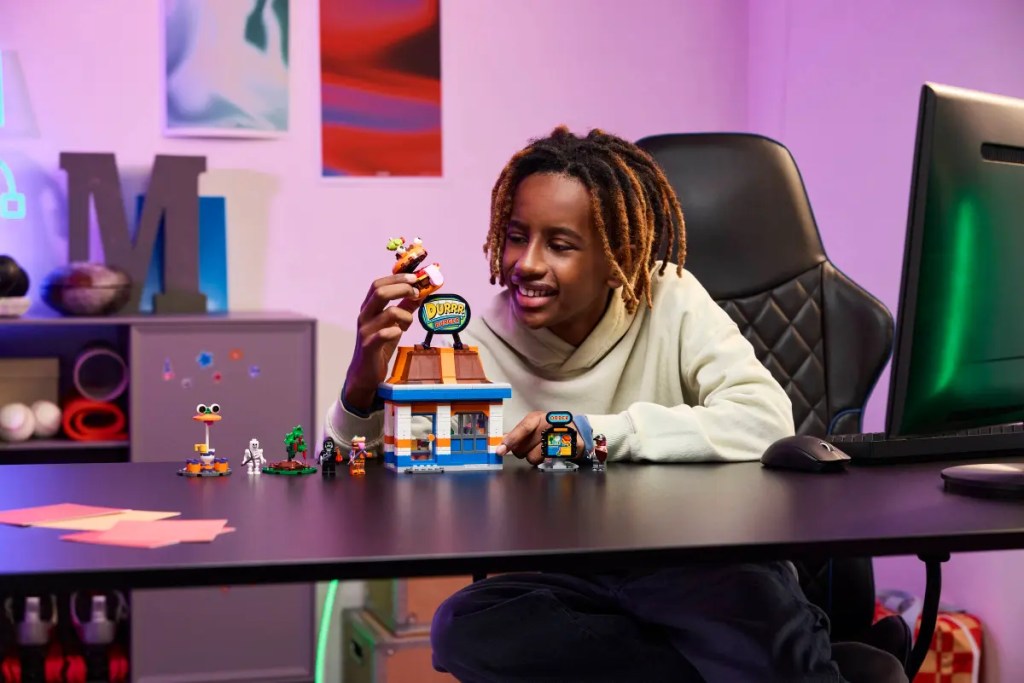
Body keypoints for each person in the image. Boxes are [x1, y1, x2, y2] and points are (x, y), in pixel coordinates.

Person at [326, 128, 906, 682]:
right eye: (517, 236)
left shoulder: (670, 299)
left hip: (690, 557)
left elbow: (764, 419)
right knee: (461, 628)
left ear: (616, 257)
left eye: (559, 245)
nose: (527, 263)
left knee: (742, 596)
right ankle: (832, 669)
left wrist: (593, 434)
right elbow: (362, 479)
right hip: (567, 580)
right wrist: (362, 379)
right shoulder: (475, 348)